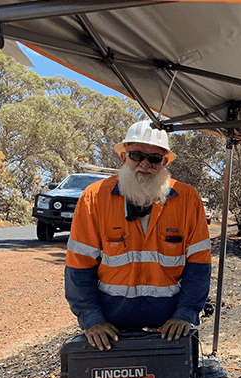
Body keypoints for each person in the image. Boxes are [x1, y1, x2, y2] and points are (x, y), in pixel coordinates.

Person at [65, 120, 211, 351]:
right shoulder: (94, 198)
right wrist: (91, 320)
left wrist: (185, 313)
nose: (145, 164)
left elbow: (199, 265)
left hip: (169, 324)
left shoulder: (187, 199)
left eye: (154, 158)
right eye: (136, 155)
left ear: (164, 162)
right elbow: (79, 266)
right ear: (124, 157)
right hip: (111, 324)